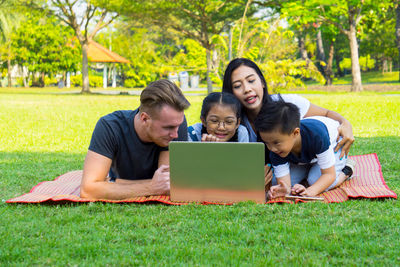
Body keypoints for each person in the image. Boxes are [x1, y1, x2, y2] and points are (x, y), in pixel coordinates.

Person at [80, 79, 190, 200]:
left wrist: (115, 183)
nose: (175, 135)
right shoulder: (110, 127)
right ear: (144, 119)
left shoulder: (174, 122)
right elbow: (88, 190)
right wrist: (151, 187)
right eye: (168, 128)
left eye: (178, 126)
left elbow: (168, 183)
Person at [222, 58, 354, 158]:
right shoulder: (232, 123)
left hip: (311, 159)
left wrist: (346, 123)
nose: (247, 89)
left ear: (262, 82)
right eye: (237, 86)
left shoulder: (286, 103)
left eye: (251, 81)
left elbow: (326, 113)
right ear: (231, 93)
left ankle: (346, 168)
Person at [254, 98, 356, 199]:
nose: (272, 148)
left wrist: (310, 191)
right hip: (307, 156)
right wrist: (284, 190)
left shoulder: (317, 136)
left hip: (334, 147)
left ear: (295, 133)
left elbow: (329, 175)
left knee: (315, 180)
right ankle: (309, 167)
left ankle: (346, 171)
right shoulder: (276, 148)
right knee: (276, 182)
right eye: (267, 143)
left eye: (277, 142)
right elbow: (284, 185)